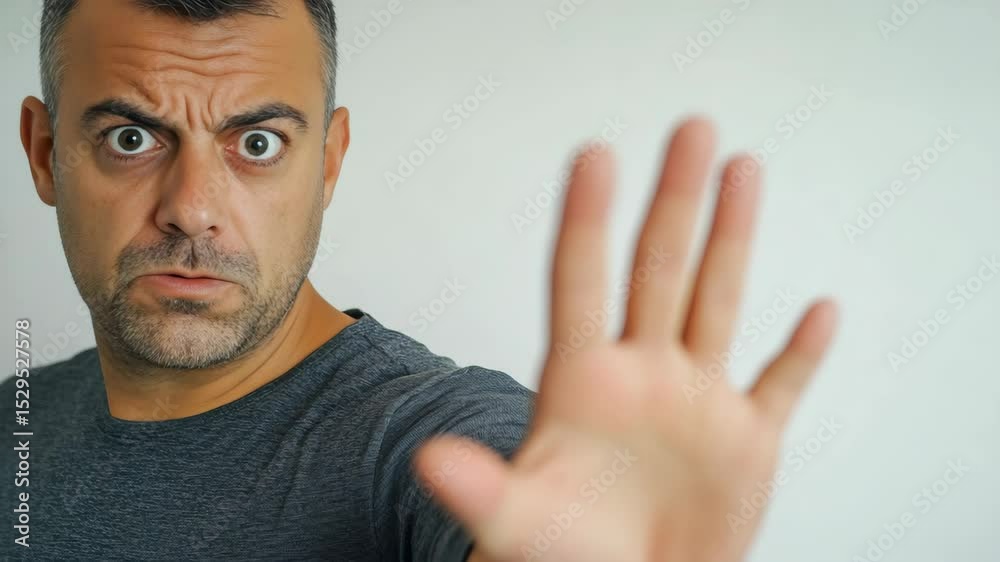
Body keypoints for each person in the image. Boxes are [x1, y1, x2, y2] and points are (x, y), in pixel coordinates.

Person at [3, 0, 837, 560]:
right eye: (130, 139)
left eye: (257, 144)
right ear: (44, 153)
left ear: (329, 162)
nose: (191, 210)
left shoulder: (427, 440)